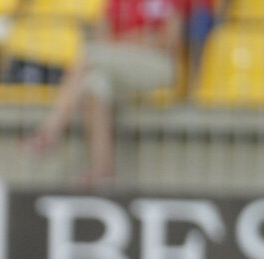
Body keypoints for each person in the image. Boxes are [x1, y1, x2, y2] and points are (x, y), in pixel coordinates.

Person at [23, 0, 183, 186]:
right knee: (94, 86)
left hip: (160, 66)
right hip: (119, 65)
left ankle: (49, 132)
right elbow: (102, 37)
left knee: (89, 56)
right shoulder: (115, 3)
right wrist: (139, 39)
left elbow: (170, 41)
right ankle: (103, 171)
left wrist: (123, 42)